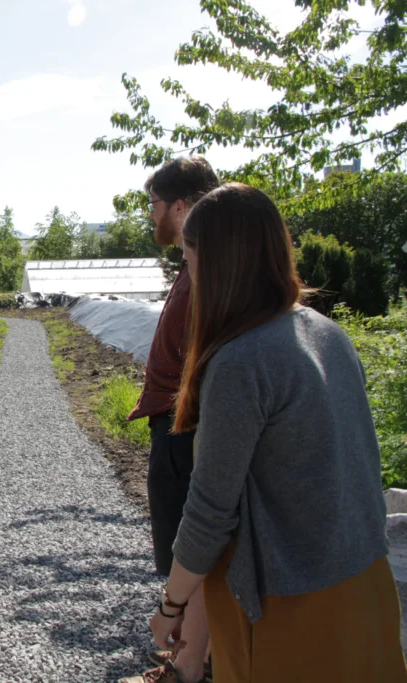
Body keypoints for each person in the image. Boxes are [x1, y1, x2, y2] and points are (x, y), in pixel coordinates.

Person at [148, 183, 406, 682]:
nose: (189, 270)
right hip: (366, 584)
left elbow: (208, 513)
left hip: (291, 607)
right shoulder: (324, 331)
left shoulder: (242, 361)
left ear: (214, 261)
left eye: (189, 254)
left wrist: (172, 606)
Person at [121, 157, 218, 683]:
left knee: (195, 554)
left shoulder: (207, 269)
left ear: (181, 207)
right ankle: (193, 657)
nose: (151, 215)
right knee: (190, 551)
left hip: (189, 428)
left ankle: (187, 668)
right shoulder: (193, 263)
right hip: (178, 425)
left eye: (154, 205)